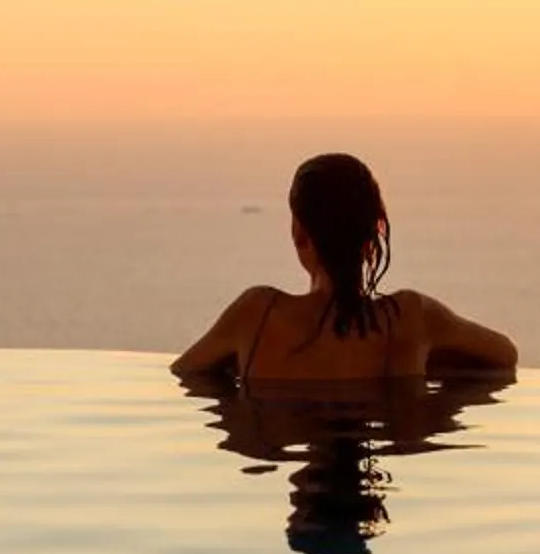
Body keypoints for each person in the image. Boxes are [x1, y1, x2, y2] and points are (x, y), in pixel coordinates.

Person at [171, 152, 516, 387]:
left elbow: (185, 375)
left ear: (299, 233)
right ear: (374, 231)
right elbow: (504, 356)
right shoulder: (411, 319)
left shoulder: (256, 315)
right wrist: (425, 361)